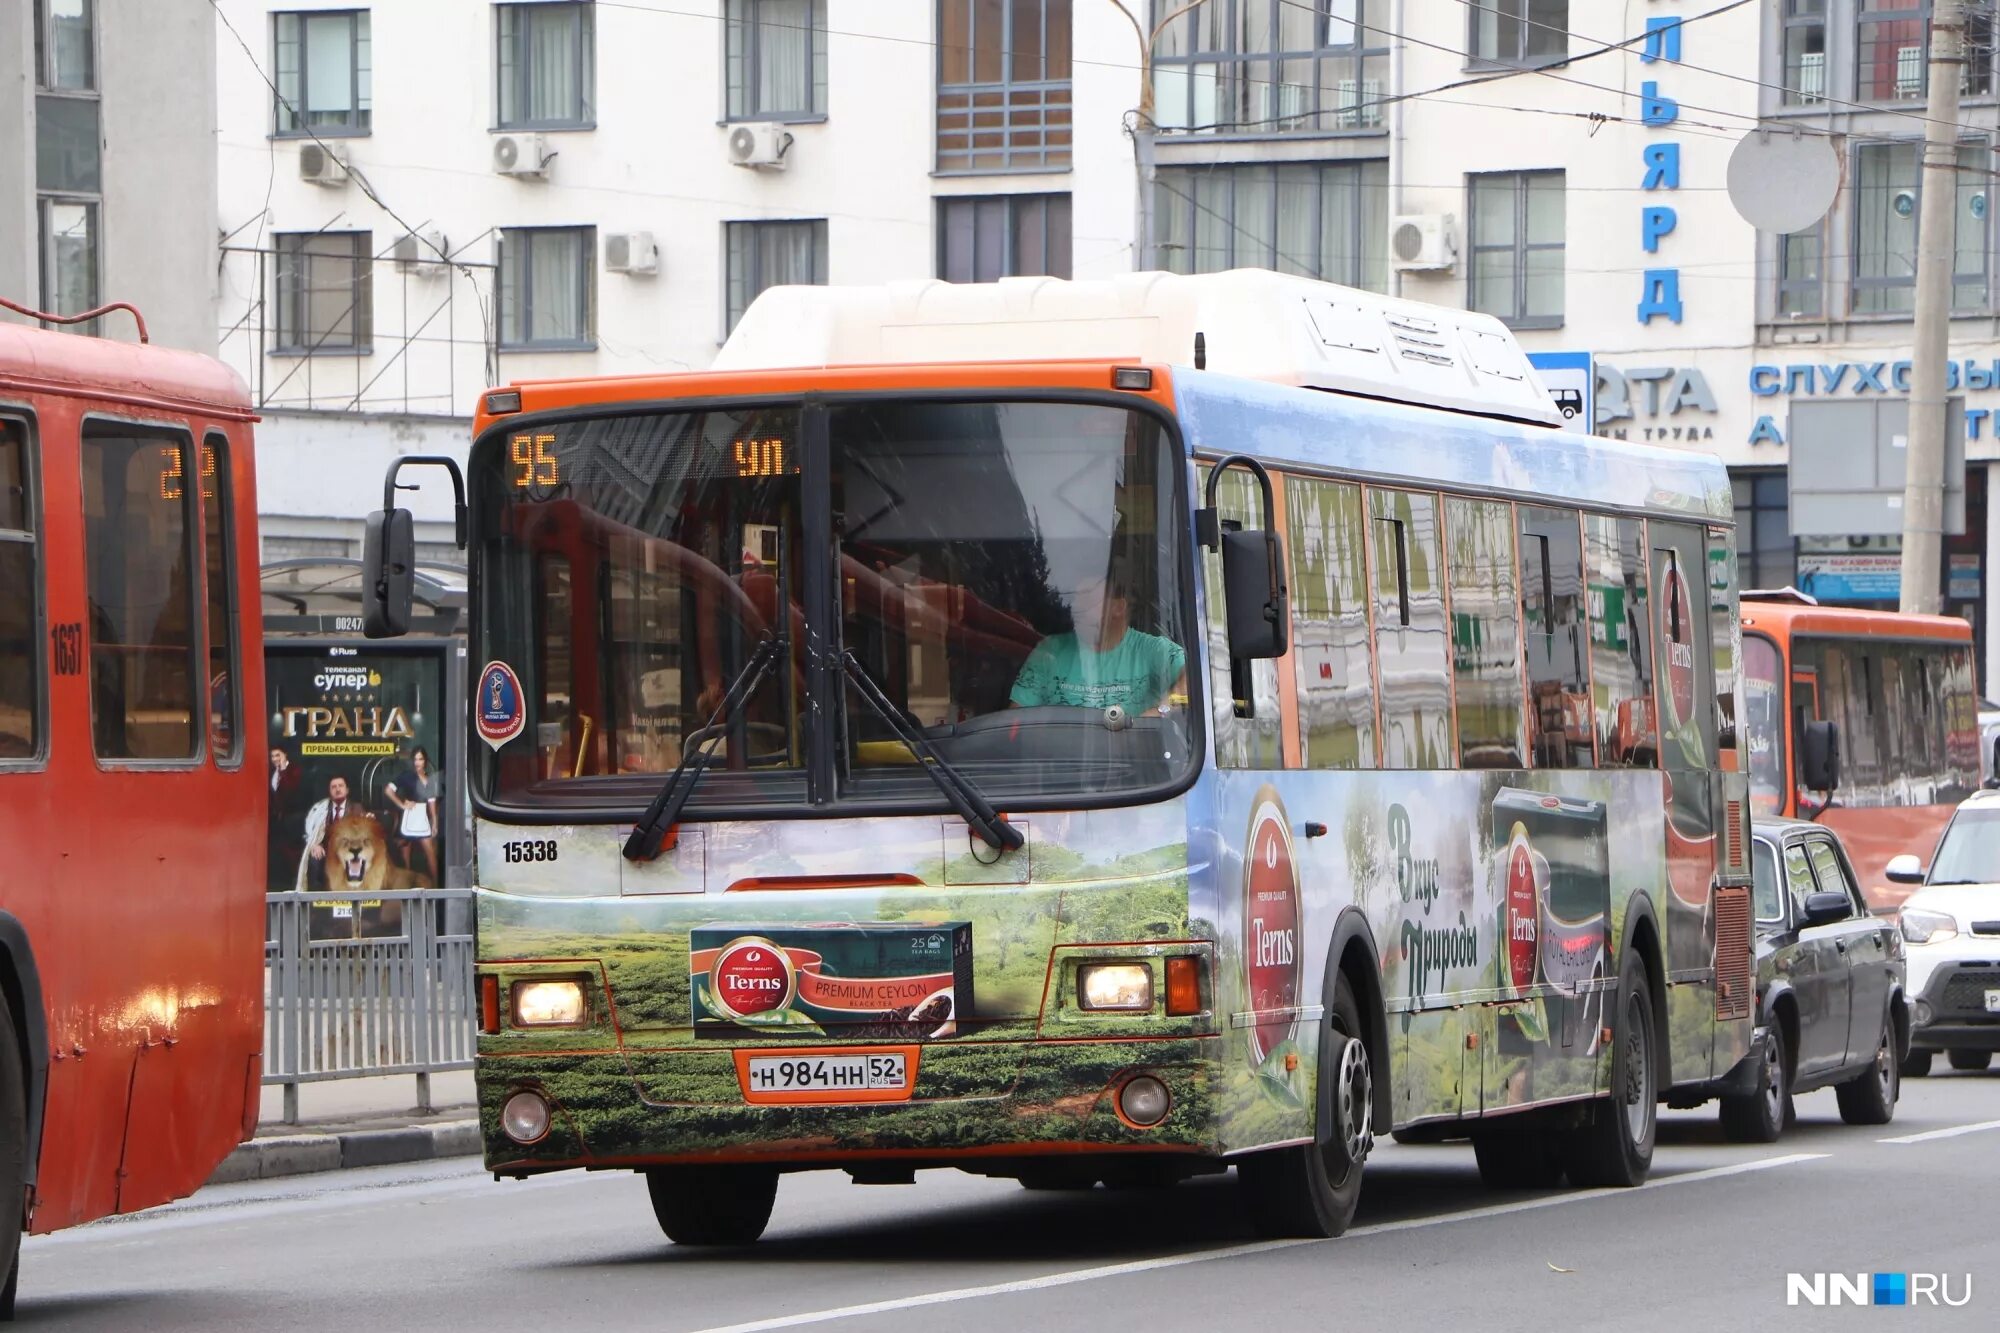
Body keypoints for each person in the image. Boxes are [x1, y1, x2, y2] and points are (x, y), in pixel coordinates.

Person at [1010, 564, 1186, 715]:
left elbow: (1195, 679)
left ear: (1118, 607)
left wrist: (1162, 710)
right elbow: (1016, 720)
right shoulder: (1049, 652)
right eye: (1075, 599)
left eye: (1086, 598)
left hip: (1133, 754)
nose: (1075, 607)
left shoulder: (1152, 650)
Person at [386, 747, 441, 886]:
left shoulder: (430, 779)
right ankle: (406, 886)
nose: (418, 762)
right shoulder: (406, 776)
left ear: (425, 761)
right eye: (415, 759)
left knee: (430, 851)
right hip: (409, 816)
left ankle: (436, 885)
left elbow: (432, 802)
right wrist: (402, 804)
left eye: (420, 759)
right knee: (406, 856)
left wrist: (434, 822)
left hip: (422, 817)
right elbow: (388, 790)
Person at [299, 774, 355, 891]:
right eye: (333, 787)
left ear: (347, 790)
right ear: (329, 791)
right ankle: (316, 900)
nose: (337, 789)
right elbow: (311, 833)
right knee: (315, 857)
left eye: (340, 786)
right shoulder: (320, 809)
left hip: (348, 852)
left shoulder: (356, 809)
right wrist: (315, 844)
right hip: (326, 852)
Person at [267, 747, 303, 889]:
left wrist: (282, 771)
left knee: (290, 855)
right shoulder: (271, 773)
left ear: (285, 755)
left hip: (292, 820)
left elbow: (290, 791)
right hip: (276, 822)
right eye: (272, 756)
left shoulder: (295, 770)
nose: (275, 759)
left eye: (278, 755)